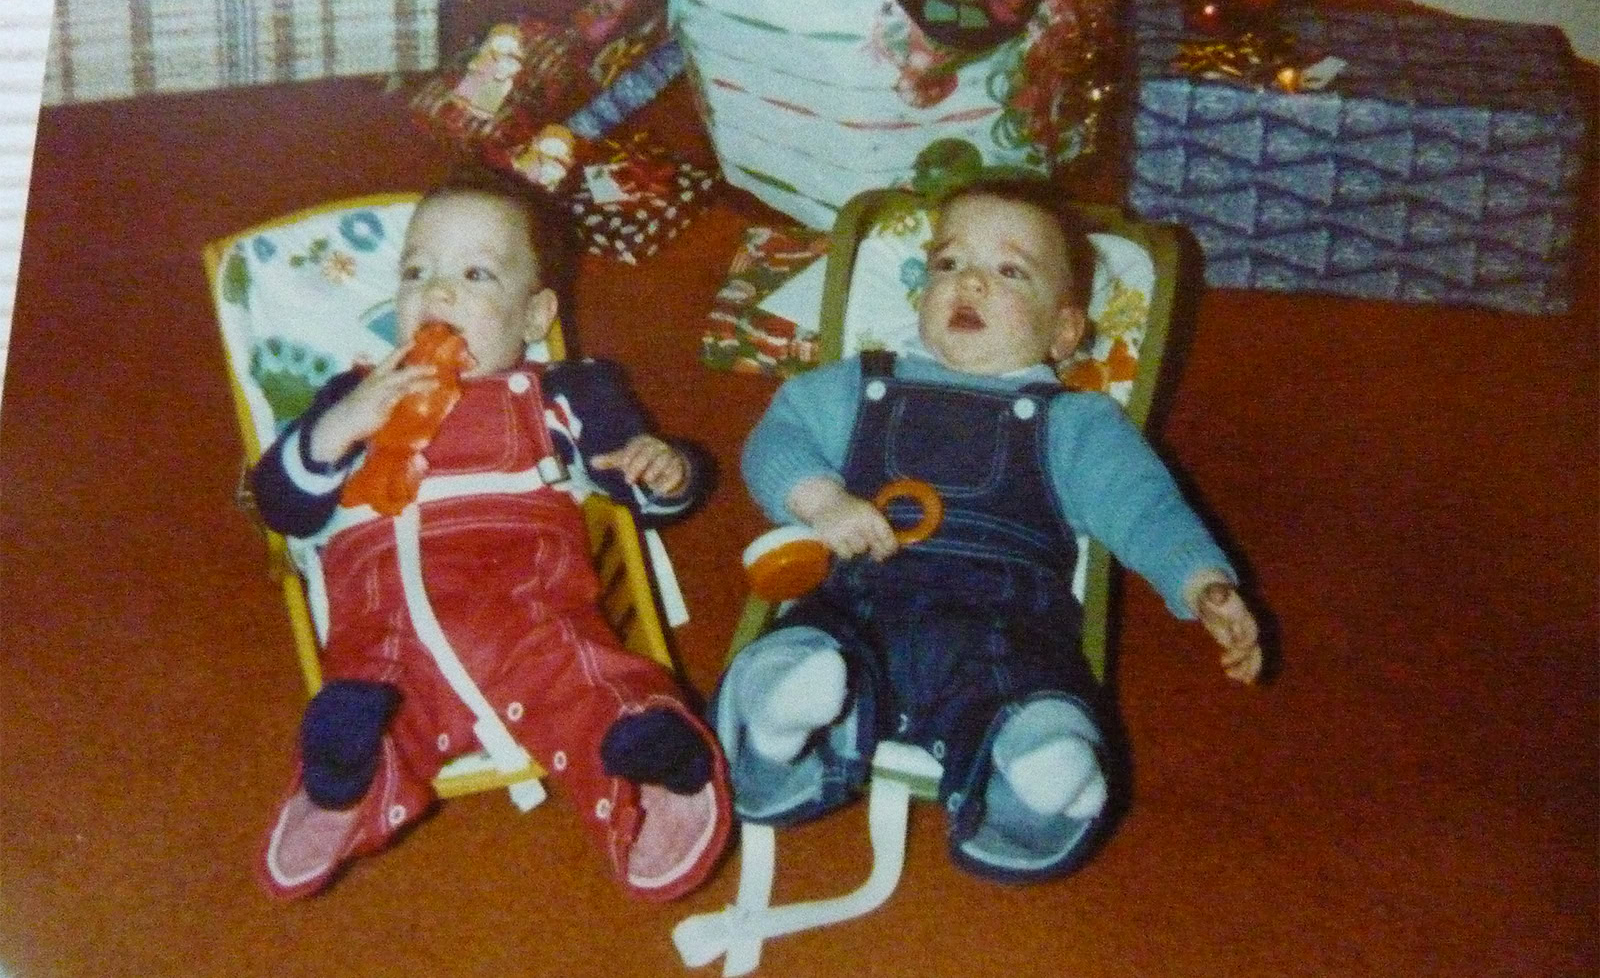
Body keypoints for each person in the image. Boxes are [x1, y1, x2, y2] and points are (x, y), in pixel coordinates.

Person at [715, 177, 1262, 882]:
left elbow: (1143, 505)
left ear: (1064, 331)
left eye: (1010, 271)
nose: (969, 281)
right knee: (812, 644)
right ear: (922, 291)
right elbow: (774, 440)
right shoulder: (861, 383)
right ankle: (782, 717)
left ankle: (1041, 759)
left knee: (1026, 686)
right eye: (948, 264)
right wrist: (822, 501)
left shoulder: (1075, 422)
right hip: (863, 597)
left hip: (1001, 623)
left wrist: (1202, 578)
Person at [252, 167, 730, 901]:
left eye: (475, 274)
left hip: (522, 599)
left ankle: (647, 760)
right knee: (375, 696)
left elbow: (629, 482)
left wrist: (661, 469)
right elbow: (281, 504)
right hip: (387, 615)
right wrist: (343, 427)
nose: (437, 294)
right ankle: (346, 780)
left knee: (580, 674)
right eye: (417, 271)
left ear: (535, 315)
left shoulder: (565, 391)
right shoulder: (354, 393)